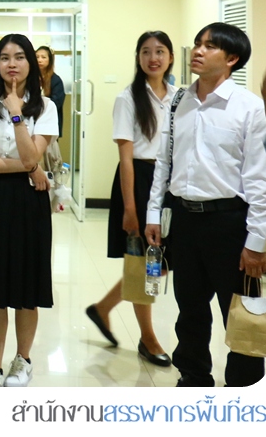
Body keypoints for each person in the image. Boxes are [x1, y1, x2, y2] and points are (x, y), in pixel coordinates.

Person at [145, 23, 266, 387]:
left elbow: (261, 179)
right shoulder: (179, 101)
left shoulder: (249, 107)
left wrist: (256, 242)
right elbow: (164, 161)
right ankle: (193, 377)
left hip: (230, 223)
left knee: (243, 311)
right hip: (185, 220)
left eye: (210, 46)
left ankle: (244, 388)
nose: (198, 51)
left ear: (232, 59)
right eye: (198, 44)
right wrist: (154, 214)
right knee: (190, 310)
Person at [0, 34, 58, 387]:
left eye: (19, 57)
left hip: (29, 203)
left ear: (30, 63)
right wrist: (30, 168)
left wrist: (17, 114)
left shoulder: (45, 107)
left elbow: (33, 155)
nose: (12, 64)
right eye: (5, 58)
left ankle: (23, 359)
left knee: (26, 288)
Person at [85, 31, 176, 366]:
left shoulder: (179, 96)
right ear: (138, 57)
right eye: (146, 52)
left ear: (170, 57)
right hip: (139, 179)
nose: (153, 58)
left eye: (160, 51)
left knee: (160, 264)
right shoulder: (128, 98)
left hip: (169, 183)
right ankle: (148, 338)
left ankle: (102, 308)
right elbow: (125, 158)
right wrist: (130, 209)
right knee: (144, 263)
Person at [36, 46, 66, 139]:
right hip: (32, 121)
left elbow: (56, 103)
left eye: (43, 57)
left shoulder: (55, 80)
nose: (39, 60)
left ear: (50, 60)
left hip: (49, 120)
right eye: (37, 57)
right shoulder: (30, 78)